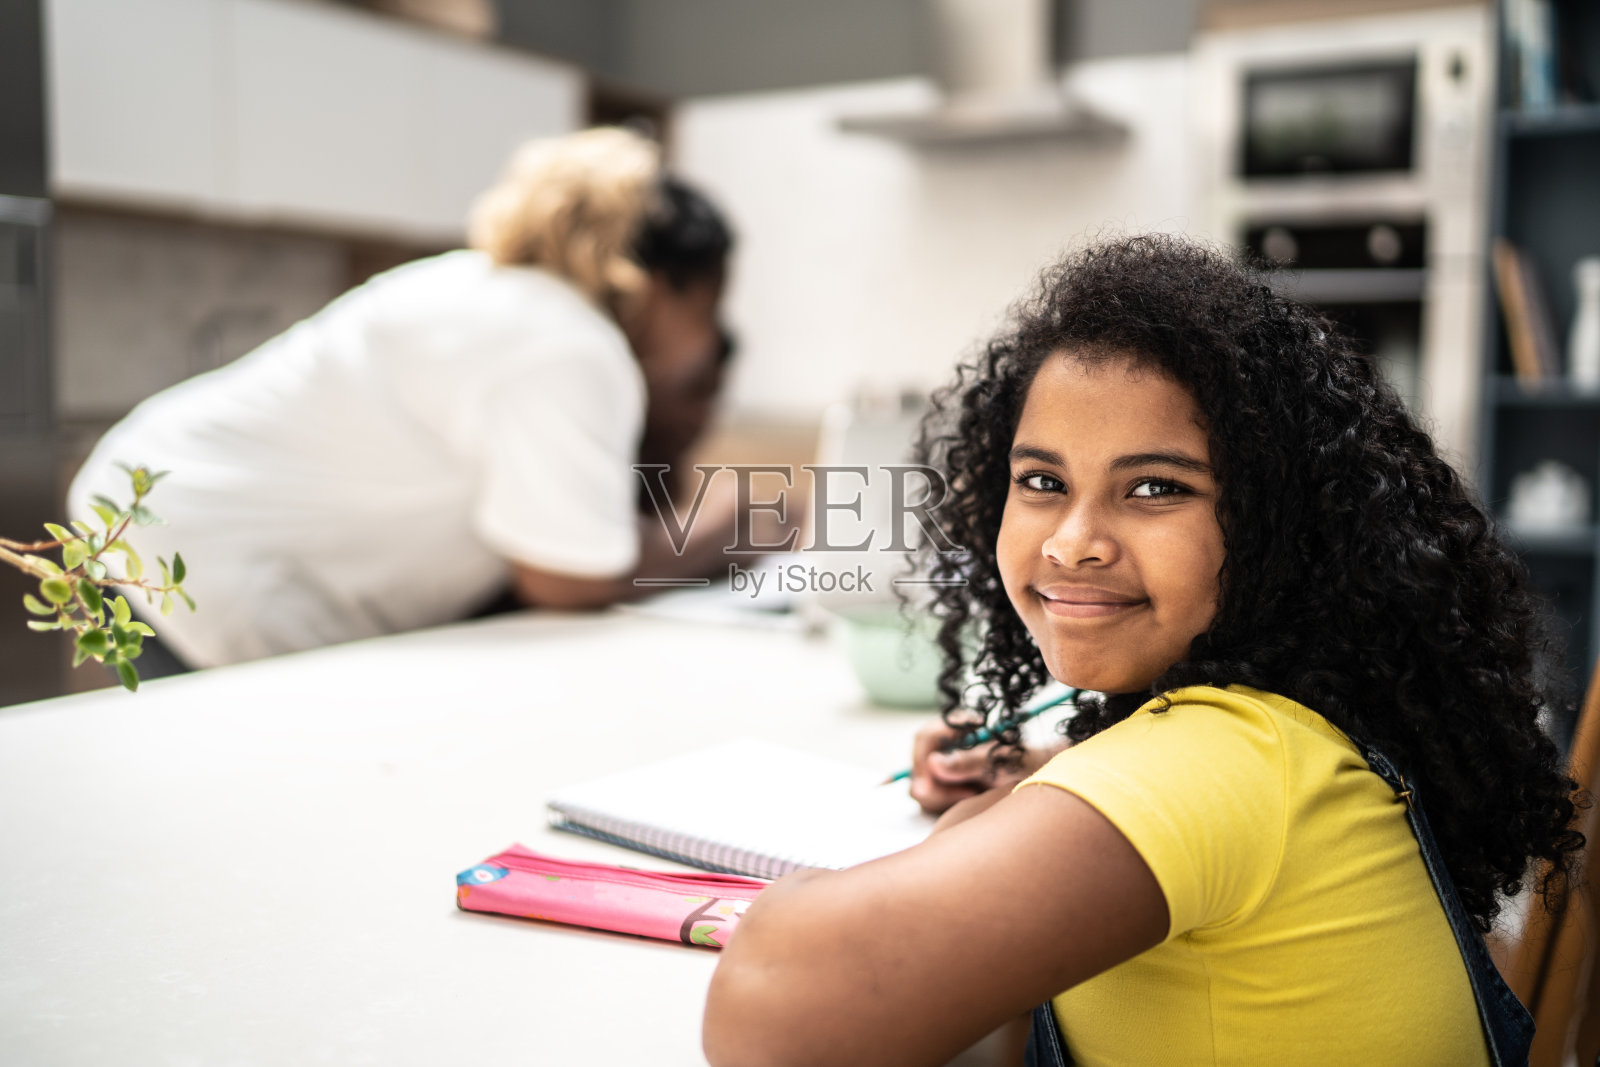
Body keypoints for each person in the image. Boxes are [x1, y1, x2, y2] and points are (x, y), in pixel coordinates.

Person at [702, 235, 1585, 1066]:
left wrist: (993, 824)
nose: (1074, 541)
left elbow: (769, 1007)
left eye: (1157, 487)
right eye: (1043, 482)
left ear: (1283, 525)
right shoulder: (1290, 734)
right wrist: (1036, 775)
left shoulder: (1217, 761)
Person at [69, 127, 753, 670]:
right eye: (711, 306)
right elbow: (566, 581)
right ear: (666, 288)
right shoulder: (569, 343)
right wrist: (733, 529)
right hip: (197, 554)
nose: (704, 341)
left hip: (143, 512)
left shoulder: (485, 288)